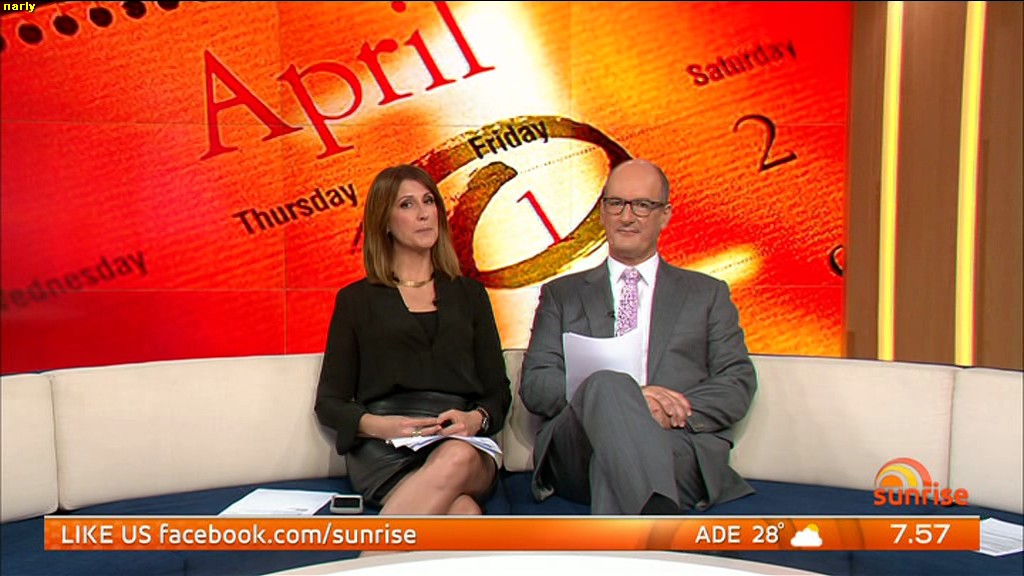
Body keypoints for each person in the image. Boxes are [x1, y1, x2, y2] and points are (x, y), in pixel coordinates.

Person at [520, 159, 757, 515]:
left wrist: (664, 411)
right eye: (616, 203)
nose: (627, 217)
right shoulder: (562, 295)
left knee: (613, 463)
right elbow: (537, 385)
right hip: (578, 447)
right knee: (607, 384)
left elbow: (736, 381)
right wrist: (623, 399)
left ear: (665, 215)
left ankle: (641, 532)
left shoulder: (706, 294)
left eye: (642, 205)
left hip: (673, 442)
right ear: (602, 212)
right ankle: (657, 529)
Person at [315, 164, 510, 515]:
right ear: (385, 222)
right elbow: (329, 402)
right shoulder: (356, 300)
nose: (423, 213)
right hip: (385, 446)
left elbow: (497, 391)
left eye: (429, 201)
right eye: (407, 204)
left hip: (460, 442)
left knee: (457, 455)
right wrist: (378, 426)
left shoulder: (470, 295)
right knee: (464, 513)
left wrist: (476, 419)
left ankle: (371, 551)